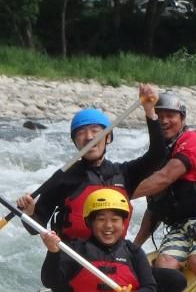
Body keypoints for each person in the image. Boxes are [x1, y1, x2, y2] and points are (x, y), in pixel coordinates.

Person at [16, 84, 166, 242]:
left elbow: (158, 155)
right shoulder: (62, 178)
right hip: (71, 260)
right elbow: (35, 228)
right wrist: (29, 213)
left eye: (95, 131)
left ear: (108, 138)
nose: (89, 137)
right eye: (81, 132)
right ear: (76, 142)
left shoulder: (124, 174)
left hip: (112, 259)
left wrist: (150, 112)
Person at [131, 90, 196, 276]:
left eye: (170, 115)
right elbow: (155, 207)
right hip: (181, 226)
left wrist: (122, 192)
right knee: (163, 263)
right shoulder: (160, 153)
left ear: (182, 118)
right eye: (159, 116)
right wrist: (135, 246)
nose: (163, 121)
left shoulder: (193, 141)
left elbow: (165, 178)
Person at [40, 189, 157, 292]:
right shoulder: (76, 250)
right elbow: (51, 282)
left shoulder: (134, 252)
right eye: (101, 219)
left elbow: (150, 290)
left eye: (115, 220)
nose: (108, 225)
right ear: (90, 223)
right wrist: (53, 253)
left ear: (123, 224)